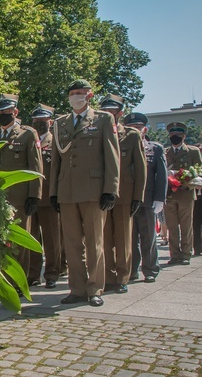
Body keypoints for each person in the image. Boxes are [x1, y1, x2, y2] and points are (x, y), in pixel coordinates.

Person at [49, 79, 120, 307]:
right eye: (72, 93)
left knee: (94, 243)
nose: (75, 96)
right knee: (71, 244)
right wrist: (53, 192)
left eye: (79, 92)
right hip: (67, 191)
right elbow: (56, 162)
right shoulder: (61, 123)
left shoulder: (103, 119)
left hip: (93, 191)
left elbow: (111, 156)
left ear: (89, 95)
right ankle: (77, 289)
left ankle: (94, 288)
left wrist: (110, 189)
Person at [0, 93, 43, 287]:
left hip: (20, 196)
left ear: (15, 112)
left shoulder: (27, 134)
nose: (2, 114)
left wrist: (34, 195)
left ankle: (19, 281)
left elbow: (36, 167)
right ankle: (1, 279)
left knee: (18, 241)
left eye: (7, 111)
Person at [100, 96, 146, 294]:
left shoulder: (131, 135)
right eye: (106, 110)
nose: (109, 114)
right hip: (101, 193)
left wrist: (138, 197)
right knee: (105, 239)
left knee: (123, 238)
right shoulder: (96, 132)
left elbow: (140, 168)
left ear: (120, 112)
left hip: (125, 195)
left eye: (113, 110)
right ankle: (108, 276)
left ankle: (122, 277)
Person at [124, 113, 167, 283]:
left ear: (145, 129)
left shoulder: (154, 148)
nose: (135, 131)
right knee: (130, 238)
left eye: (138, 128)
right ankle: (132, 269)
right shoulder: (122, 147)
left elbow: (161, 175)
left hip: (148, 200)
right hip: (127, 200)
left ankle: (150, 270)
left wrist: (159, 198)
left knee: (148, 237)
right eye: (131, 128)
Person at [28, 104, 62, 289]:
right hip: (31, 196)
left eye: (43, 121)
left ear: (50, 121)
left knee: (52, 240)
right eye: (37, 121)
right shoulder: (29, 140)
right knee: (32, 239)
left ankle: (52, 274)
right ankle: (33, 274)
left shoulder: (55, 140)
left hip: (50, 197)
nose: (40, 124)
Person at [163, 122, 202, 265]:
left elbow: (199, 170)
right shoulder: (164, 152)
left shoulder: (192, 151)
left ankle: (186, 254)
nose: (175, 137)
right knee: (172, 226)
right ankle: (174, 255)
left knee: (186, 225)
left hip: (186, 193)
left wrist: (184, 176)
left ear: (184, 136)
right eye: (172, 135)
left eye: (178, 135)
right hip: (170, 194)